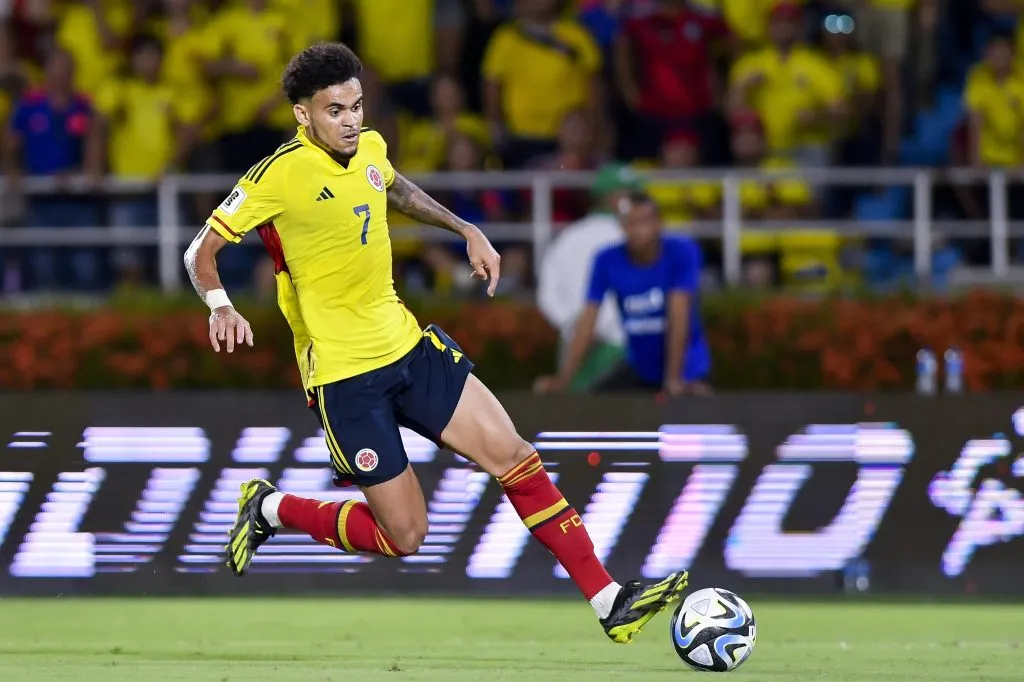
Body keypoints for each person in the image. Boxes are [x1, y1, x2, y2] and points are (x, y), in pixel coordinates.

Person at [183, 42, 687, 644]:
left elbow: (392, 188)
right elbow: (200, 252)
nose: (350, 120)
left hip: (408, 346)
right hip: (344, 377)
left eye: (357, 105)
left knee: (516, 456)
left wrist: (465, 227)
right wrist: (221, 305)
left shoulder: (369, 146)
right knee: (406, 536)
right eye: (334, 110)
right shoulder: (276, 176)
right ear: (303, 115)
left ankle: (609, 600)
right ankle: (271, 509)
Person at [536, 191, 711, 396]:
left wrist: (673, 379)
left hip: (688, 370)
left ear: (658, 224)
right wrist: (564, 380)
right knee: (596, 405)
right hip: (640, 369)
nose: (636, 230)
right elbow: (588, 319)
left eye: (644, 222)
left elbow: (678, 315)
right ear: (620, 226)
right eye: (630, 223)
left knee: (696, 409)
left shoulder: (681, 251)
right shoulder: (607, 259)